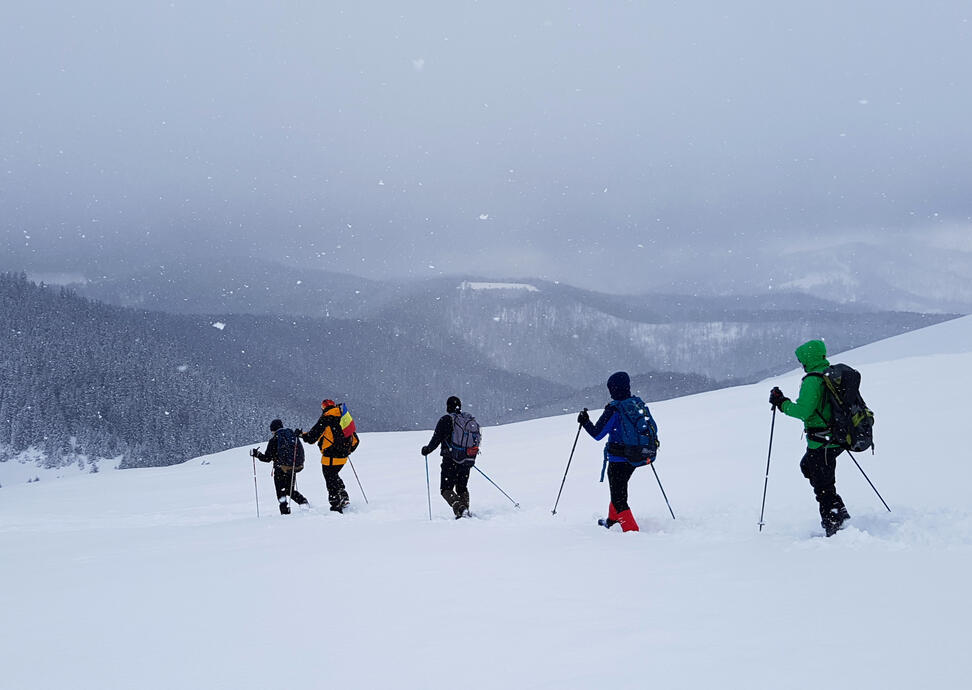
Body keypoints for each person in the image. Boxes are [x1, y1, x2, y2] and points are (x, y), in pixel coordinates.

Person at [769, 339, 851, 537]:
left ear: (808, 358)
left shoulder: (813, 380)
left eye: (802, 359)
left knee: (822, 484)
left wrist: (782, 403)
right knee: (809, 468)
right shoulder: (830, 374)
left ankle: (834, 521)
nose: (801, 363)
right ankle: (838, 511)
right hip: (835, 438)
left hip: (822, 440)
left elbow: (804, 411)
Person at [578, 371, 649, 533]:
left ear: (613, 389)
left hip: (618, 459)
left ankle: (631, 531)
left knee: (619, 498)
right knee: (619, 489)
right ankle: (612, 520)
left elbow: (597, 434)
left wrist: (585, 422)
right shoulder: (635, 403)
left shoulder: (615, 409)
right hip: (635, 456)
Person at [421, 396, 473, 519]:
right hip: (466, 460)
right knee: (462, 487)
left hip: (450, 460)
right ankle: (464, 510)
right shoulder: (466, 420)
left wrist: (427, 450)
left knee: (446, 489)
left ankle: (460, 508)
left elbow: (436, 439)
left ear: (448, 407)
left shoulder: (446, 420)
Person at [298, 400, 353, 513]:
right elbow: (355, 439)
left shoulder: (326, 418)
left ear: (323, 408)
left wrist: (301, 435)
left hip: (330, 457)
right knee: (334, 475)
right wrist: (347, 450)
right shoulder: (343, 417)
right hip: (343, 457)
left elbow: (312, 438)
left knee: (330, 479)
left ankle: (336, 506)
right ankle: (343, 495)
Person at [252, 418, 308, 515]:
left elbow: (267, 458)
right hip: (292, 467)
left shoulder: (274, 440)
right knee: (289, 490)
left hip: (280, 469)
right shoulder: (291, 436)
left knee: (281, 491)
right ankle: (304, 502)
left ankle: (285, 513)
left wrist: (257, 454)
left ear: (273, 429)